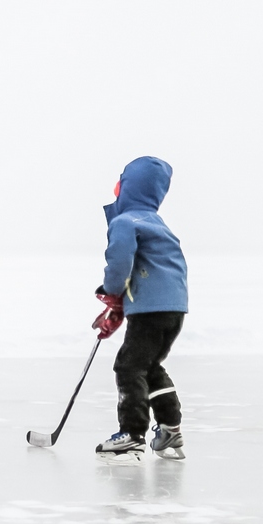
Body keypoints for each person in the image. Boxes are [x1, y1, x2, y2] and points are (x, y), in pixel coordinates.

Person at [92, 156, 188, 457]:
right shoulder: (157, 223)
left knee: (128, 366)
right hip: (174, 308)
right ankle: (170, 428)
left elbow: (119, 263)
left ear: (125, 188)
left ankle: (132, 434)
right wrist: (121, 306)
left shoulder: (124, 222)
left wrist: (110, 292)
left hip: (150, 309)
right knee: (150, 366)